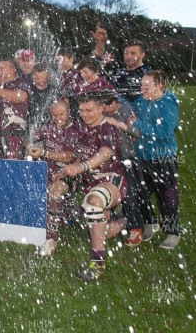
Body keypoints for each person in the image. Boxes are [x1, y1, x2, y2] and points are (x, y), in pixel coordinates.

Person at [54, 93, 128, 281]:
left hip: (111, 180)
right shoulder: (81, 130)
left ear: (101, 108)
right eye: (82, 110)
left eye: (89, 110)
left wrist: (82, 166)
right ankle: (128, 221)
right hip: (90, 182)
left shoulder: (108, 128)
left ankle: (97, 264)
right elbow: (80, 155)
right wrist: (68, 169)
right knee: (99, 230)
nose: (85, 114)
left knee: (93, 203)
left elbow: (104, 153)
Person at [130, 70, 181, 249]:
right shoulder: (142, 102)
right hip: (142, 157)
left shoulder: (169, 103)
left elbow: (164, 132)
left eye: (147, 85)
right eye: (142, 84)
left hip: (164, 158)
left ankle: (172, 232)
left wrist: (138, 124)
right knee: (139, 192)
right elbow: (128, 109)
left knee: (167, 196)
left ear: (159, 85)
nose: (142, 88)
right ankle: (150, 222)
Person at [29, 100, 80, 256]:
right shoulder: (47, 127)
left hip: (69, 173)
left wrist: (44, 153)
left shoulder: (76, 129)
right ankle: (68, 212)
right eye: (54, 114)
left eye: (61, 114)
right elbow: (31, 139)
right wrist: (30, 145)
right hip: (47, 170)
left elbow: (70, 155)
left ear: (69, 112)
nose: (58, 117)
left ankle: (51, 239)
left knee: (55, 193)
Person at [102, 94, 144, 246]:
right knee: (112, 192)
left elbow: (137, 133)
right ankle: (115, 224)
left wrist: (117, 124)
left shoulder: (127, 110)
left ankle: (136, 228)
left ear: (115, 102)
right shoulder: (106, 112)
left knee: (130, 194)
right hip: (112, 160)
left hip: (128, 159)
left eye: (106, 107)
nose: (104, 110)